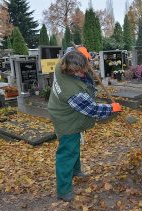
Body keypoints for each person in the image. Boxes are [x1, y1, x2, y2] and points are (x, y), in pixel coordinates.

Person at [48, 48, 122, 202]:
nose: (83, 74)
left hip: (66, 111)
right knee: (67, 151)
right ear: (69, 69)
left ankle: (75, 171)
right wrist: (111, 108)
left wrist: (81, 52)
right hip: (65, 118)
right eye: (79, 72)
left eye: (84, 69)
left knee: (74, 145)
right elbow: (92, 109)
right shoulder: (72, 92)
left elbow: (68, 52)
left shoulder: (62, 63)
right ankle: (63, 190)